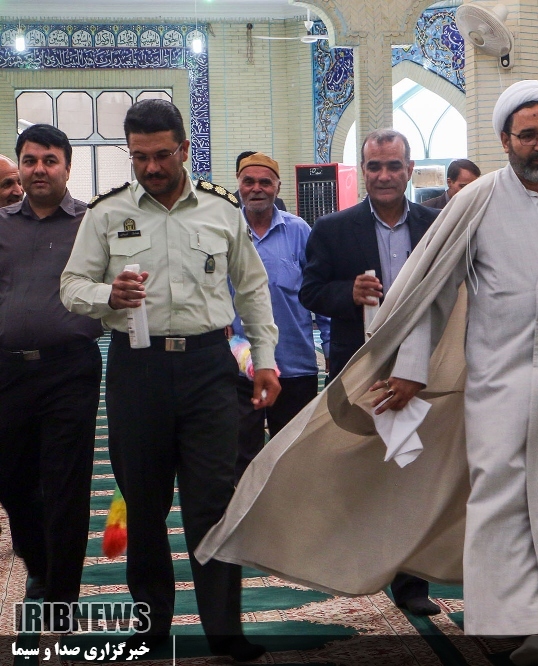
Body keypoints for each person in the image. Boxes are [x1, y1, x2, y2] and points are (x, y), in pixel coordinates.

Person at [195, 80, 538, 666]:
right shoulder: (476, 201)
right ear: (505, 140)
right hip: (497, 380)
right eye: (528, 135)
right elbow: (433, 293)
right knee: (499, 496)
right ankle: (508, 620)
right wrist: (410, 372)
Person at [61, 99, 279, 659]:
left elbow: (251, 288)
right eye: (139, 157)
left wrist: (265, 359)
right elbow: (71, 286)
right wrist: (107, 294)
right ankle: (151, 627)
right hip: (137, 370)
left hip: (209, 369)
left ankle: (225, 632)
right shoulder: (106, 213)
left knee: (213, 502)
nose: (151, 167)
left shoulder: (220, 209)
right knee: (143, 502)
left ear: (184, 149)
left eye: (161, 155)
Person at [299, 128, 441, 615]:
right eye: (375, 166)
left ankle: (412, 583)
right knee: (362, 471)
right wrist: (349, 293)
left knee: (413, 474)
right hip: (359, 368)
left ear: (409, 169)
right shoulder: (333, 229)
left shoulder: (435, 225)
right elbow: (311, 291)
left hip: (422, 370)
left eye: (394, 166)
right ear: (363, 171)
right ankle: (358, 566)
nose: (384, 175)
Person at [0, 125, 103, 630]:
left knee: (66, 485)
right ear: (20, 167)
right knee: (13, 480)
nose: (39, 169)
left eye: (49, 160)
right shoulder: (0, 225)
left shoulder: (92, 224)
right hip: (6, 371)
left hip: (70, 370)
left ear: (67, 167)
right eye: (30, 160)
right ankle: (39, 565)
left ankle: (62, 596)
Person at [232, 152, 331, 479]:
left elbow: (319, 293)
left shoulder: (299, 231)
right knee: (239, 459)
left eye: (265, 182)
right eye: (249, 181)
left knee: (294, 460)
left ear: (277, 187)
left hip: (294, 367)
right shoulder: (225, 230)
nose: (256, 188)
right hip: (238, 370)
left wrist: (330, 348)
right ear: (239, 185)